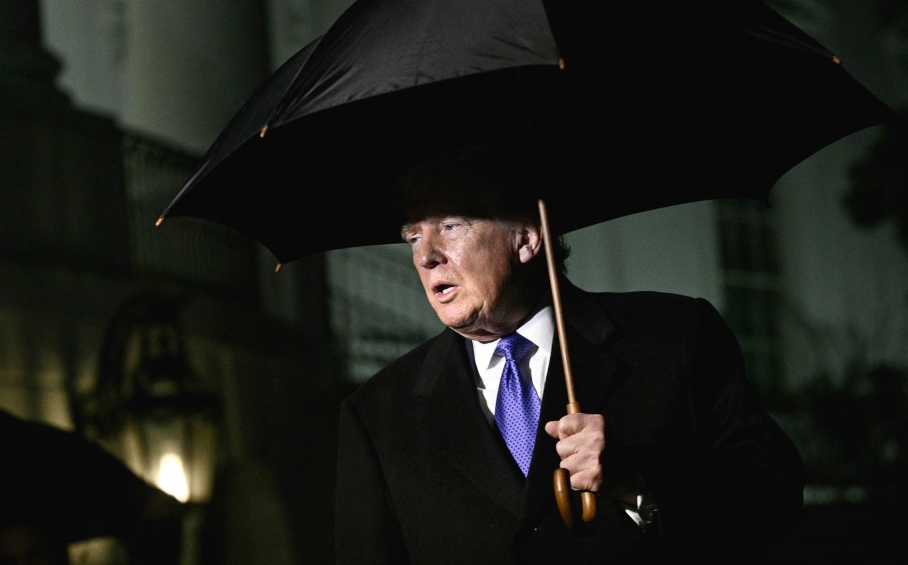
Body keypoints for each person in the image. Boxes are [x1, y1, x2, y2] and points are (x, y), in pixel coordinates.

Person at [334, 144, 805, 563]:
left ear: (526, 237)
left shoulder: (675, 337)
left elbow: (773, 500)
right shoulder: (378, 412)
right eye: (413, 236)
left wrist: (638, 481)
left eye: (451, 226)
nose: (425, 256)